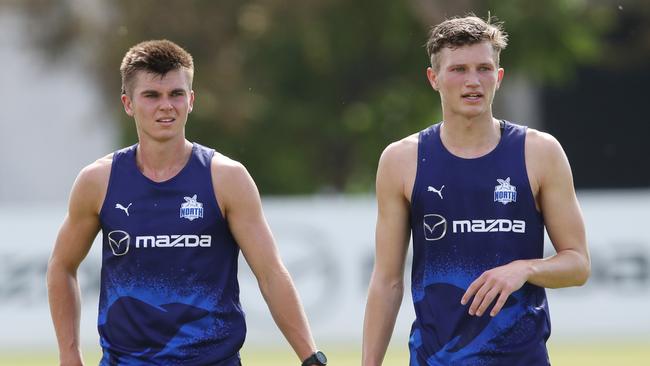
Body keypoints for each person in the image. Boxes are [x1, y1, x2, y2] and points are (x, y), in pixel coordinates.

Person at [47, 39, 327, 366]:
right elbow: (61, 267)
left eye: (176, 94)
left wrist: (310, 358)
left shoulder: (226, 178)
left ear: (191, 100)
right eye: (151, 95)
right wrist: (69, 355)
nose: (166, 105)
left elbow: (271, 274)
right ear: (128, 103)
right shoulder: (98, 182)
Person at [362, 15, 590, 365]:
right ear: (433, 78)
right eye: (458, 70)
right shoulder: (401, 160)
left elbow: (577, 264)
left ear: (498, 77)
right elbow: (387, 281)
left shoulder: (540, 152)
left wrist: (524, 269)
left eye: (484, 68)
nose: (473, 81)